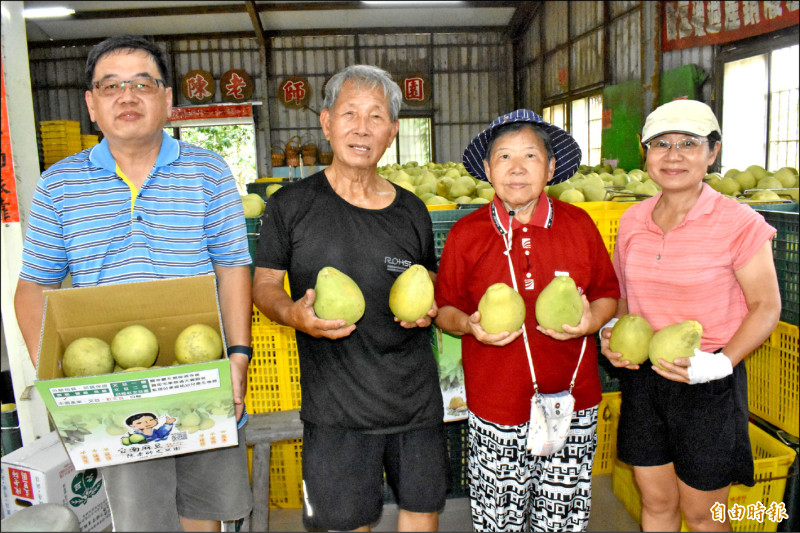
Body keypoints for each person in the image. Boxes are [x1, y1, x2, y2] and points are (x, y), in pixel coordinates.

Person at [13, 35, 254, 532]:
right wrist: (57, 380)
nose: (128, 96)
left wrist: (238, 356)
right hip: (113, 388)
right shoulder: (59, 186)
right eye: (111, 86)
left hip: (200, 374)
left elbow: (233, 268)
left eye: (143, 84)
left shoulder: (207, 173)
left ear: (167, 100)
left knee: (205, 513)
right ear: (91, 104)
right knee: (144, 520)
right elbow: (34, 287)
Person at [252, 64, 448, 532]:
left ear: (393, 131)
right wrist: (292, 314)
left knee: (422, 513)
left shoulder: (412, 210)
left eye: (376, 116)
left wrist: (429, 311)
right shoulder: (290, 206)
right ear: (326, 122)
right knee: (342, 524)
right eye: (350, 113)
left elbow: (428, 282)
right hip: (336, 409)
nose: (362, 127)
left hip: (414, 401)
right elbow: (263, 287)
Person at [599, 99, 781, 532]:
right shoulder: (632, 220)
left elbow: (766, 305)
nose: (674, 155)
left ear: (712, 152)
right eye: (661, 144)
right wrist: (611, 332)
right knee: (657, 501)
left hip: (708, 381)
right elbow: (623, 296)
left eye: (688, 143)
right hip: (645, 378)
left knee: (702, 515)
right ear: (645, 154)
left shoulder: (739, 222)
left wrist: (720, 362)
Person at [434, 109, 619, 531]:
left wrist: (592, 322)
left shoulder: (580, 224)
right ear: (487, 168)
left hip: (572, 403)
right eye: (503, 157)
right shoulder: (467, 234)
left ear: (551, 167)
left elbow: (608, 293)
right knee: (498, 521)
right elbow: (445, 310)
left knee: (562, 521)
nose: (516, 169)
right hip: (495, 409)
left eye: (531, 157)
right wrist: (469, 326)